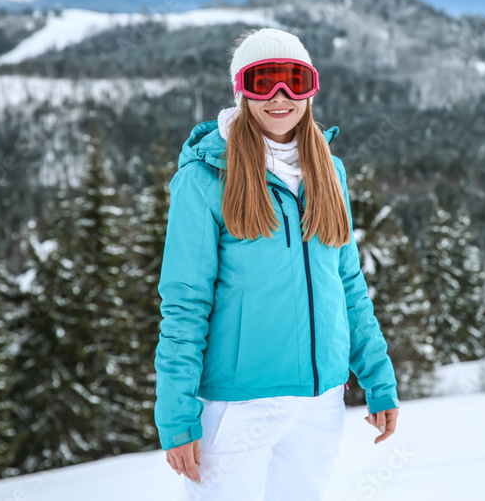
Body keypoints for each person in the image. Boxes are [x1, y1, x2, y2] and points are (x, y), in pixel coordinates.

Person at [153, 27, 400, 501]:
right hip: (238, 404)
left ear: (312, 87)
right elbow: (185, 303)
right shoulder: (204, 179)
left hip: (320, 400)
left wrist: (377, 375)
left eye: (294, 80)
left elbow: (347, 283)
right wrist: (177, 414)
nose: (280, 97)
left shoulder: (329, 169)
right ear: (241, 90)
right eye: (263, 81)